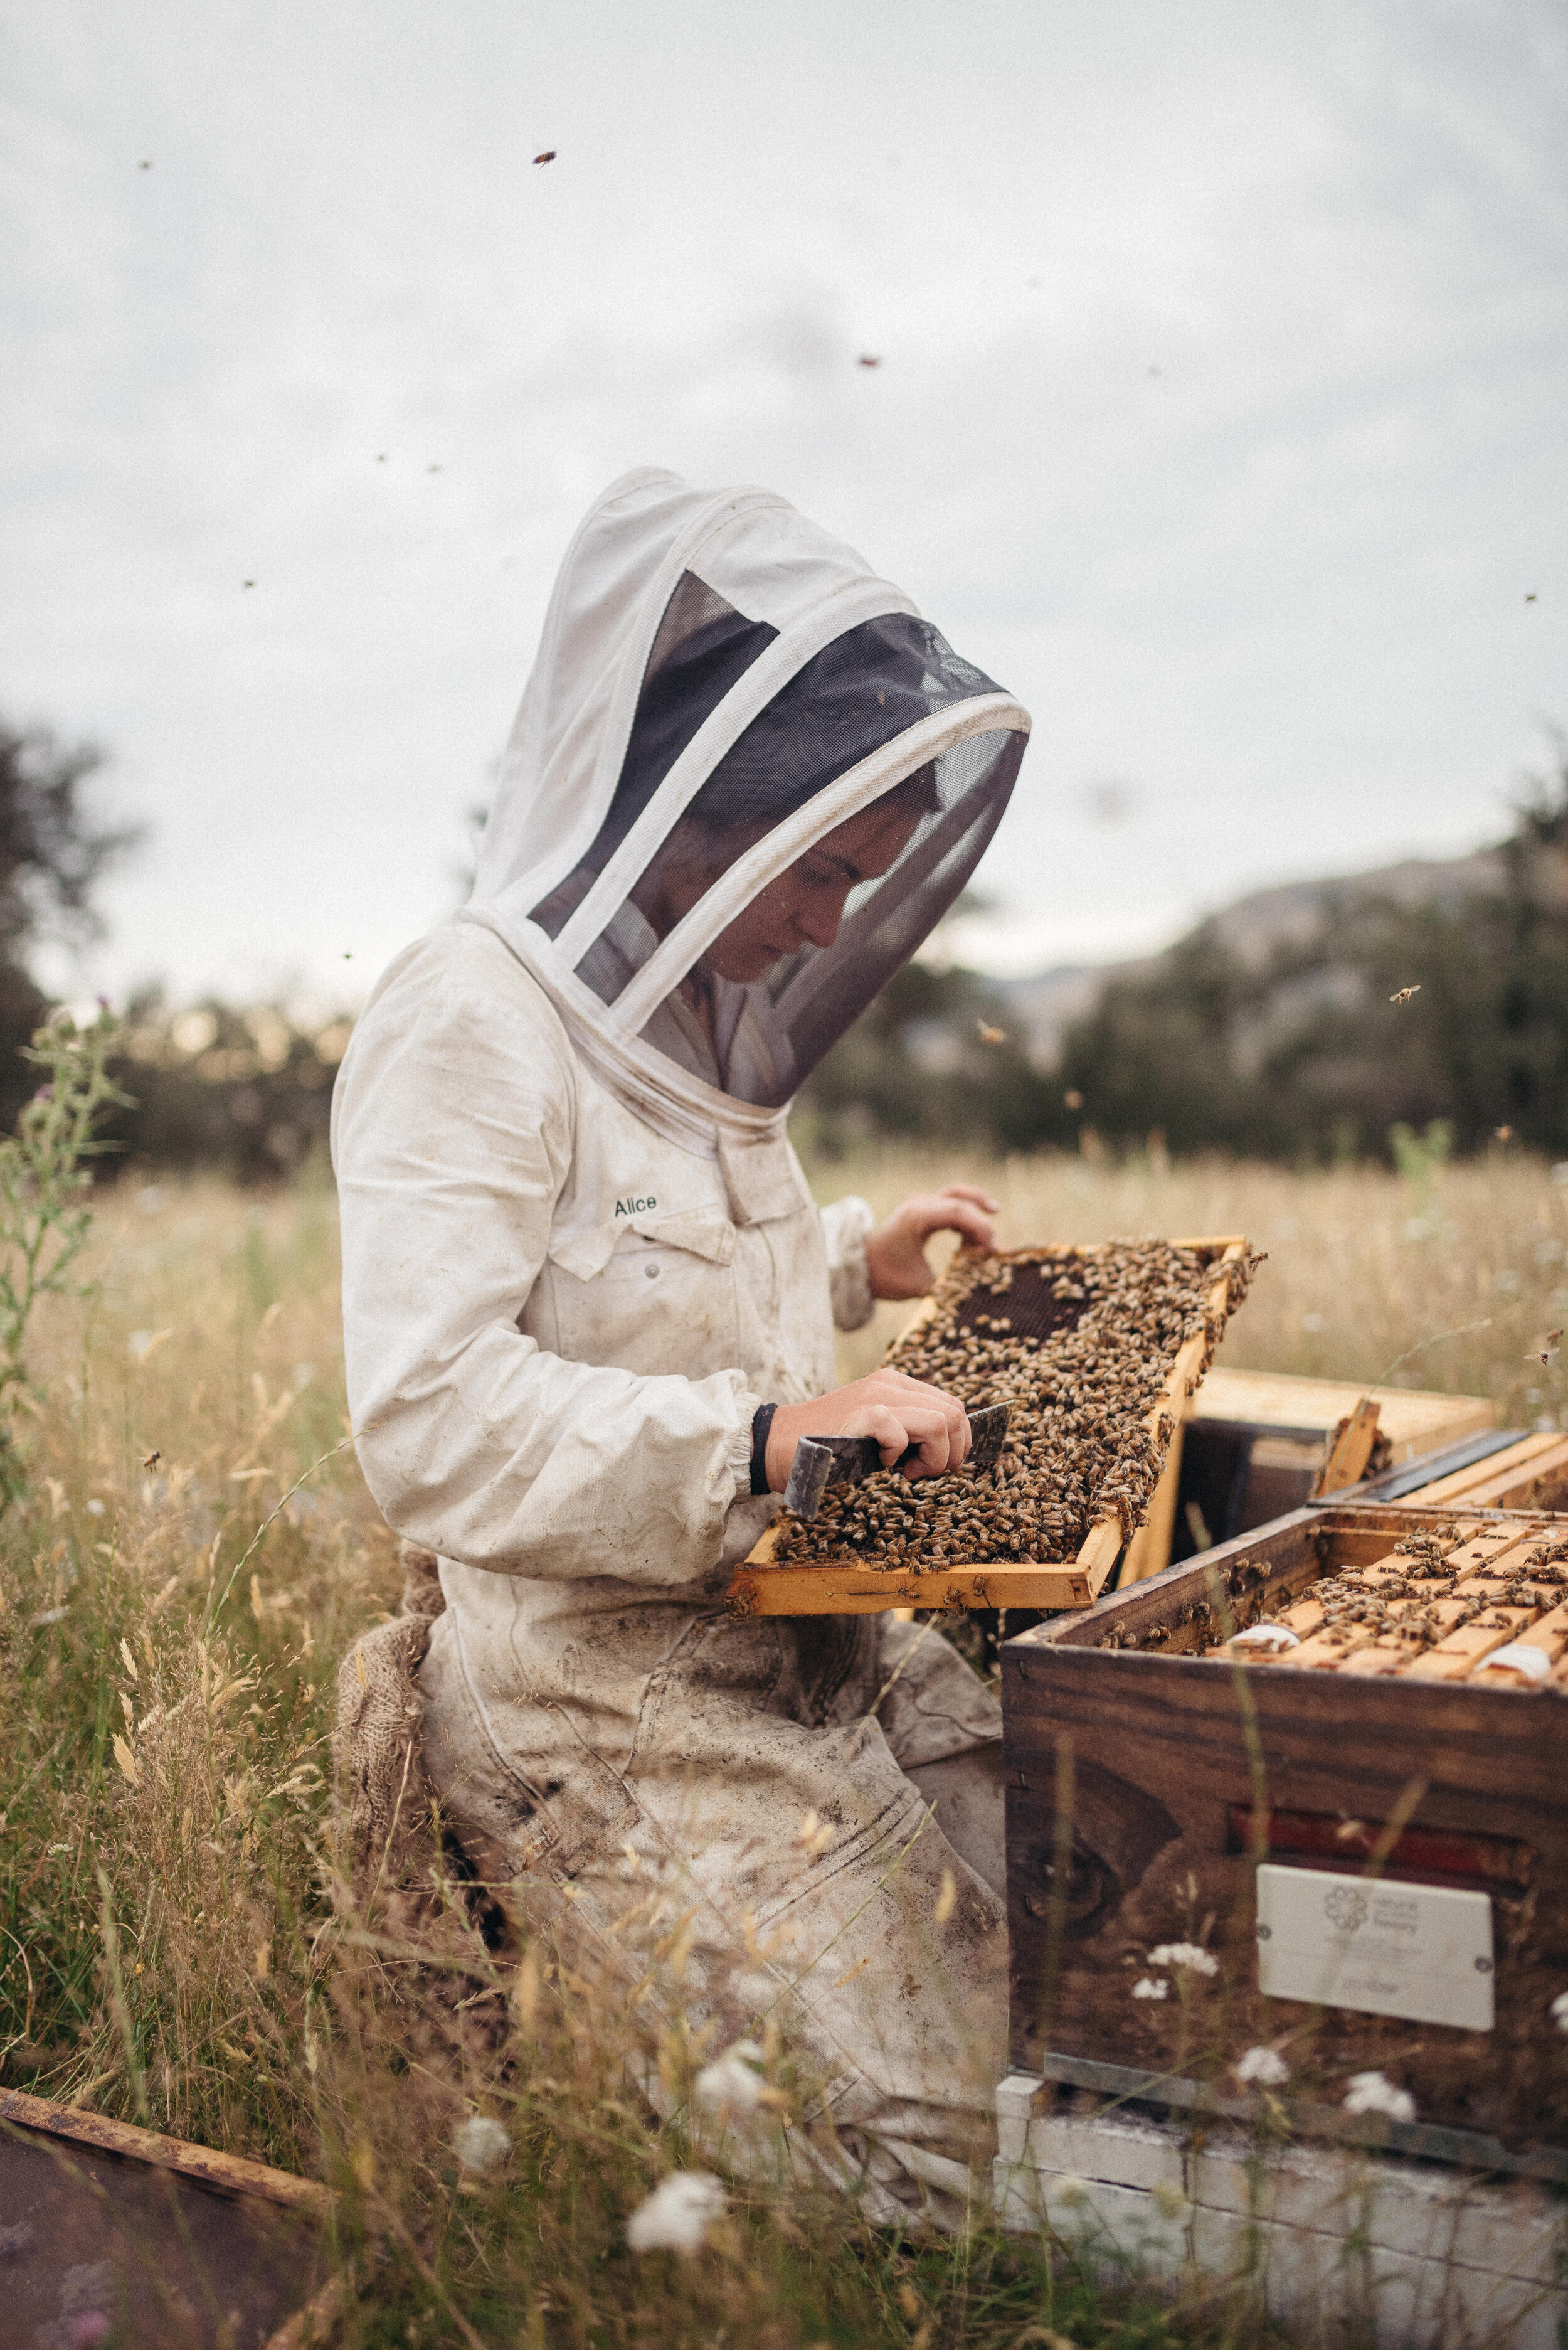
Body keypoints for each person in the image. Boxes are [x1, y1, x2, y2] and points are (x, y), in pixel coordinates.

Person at [332, 467, 1032, 2221]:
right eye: (822, 872)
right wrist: (756, 1438)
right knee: (939, 2162)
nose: (826, 923)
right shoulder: (471, 1013)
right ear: (707, 809)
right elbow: (428, 1413)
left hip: (806, 1633)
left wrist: (848, 1259)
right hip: (603, 1690)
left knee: (1081, 1988)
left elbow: (648, 1267)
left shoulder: (690, 1008)